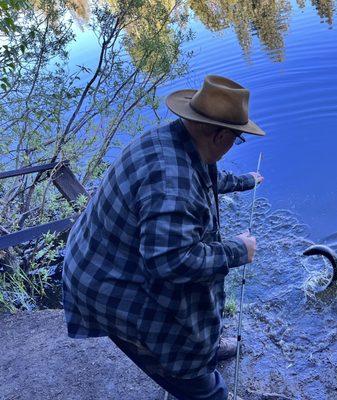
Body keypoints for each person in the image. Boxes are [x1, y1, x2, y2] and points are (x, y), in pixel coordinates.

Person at [62, 75, 266, 400]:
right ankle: (202, 387)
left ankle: (208, 350)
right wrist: (238, 250)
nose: (234, 145)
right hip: (107, 286)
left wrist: (244, 181)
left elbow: (205, 174)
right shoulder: (173, 184)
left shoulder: (174, 139)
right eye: (236, 139)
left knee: (195, 322)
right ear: (219, 135)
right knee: (185, 364)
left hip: (98, 256)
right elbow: (172, 262)